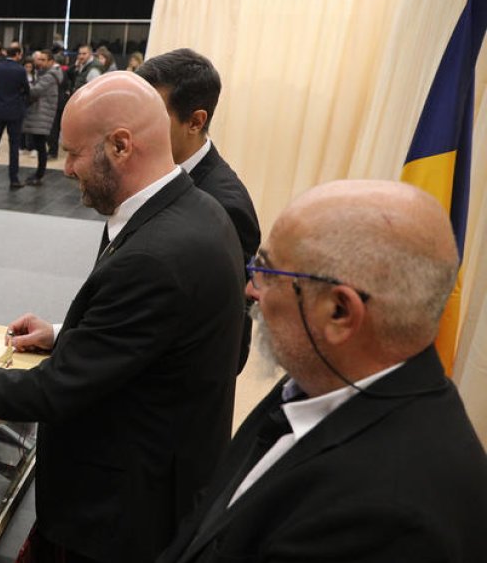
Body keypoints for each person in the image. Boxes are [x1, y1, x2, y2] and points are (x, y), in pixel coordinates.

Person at [0, 72, 246, 563]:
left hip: (123, 513)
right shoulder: (196, 210)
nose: (66, 169)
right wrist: (62, 334)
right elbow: (147, 340)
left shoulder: (156, 254)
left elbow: (53, 392)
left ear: (120, 146)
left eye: (73, 153)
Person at [158, 180, 487, 563]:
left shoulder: (387, 520)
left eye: (268, 271)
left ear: (339, 312)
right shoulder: (315, 378)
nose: (251, 289)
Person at [137, 48, 261, 372]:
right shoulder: (152, 171)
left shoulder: (227, 208)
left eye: (151, 116)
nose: (135, 128)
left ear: (195, 121)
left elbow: (227, 340)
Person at [22, 49, 60, 186]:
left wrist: (24, 83)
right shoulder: (46, 74)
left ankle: (39, 174)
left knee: (41, 145)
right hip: (41, 113)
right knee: (40, 145)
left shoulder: (49, 76)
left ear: (51, 61)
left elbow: (35, 91)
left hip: (42, 114)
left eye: (44, 60)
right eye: (39, 59)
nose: (40, 62)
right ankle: (39, 173)